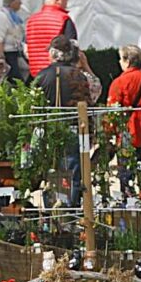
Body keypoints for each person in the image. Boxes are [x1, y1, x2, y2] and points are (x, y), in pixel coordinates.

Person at [34, 36, 90, 207]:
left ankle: (53, 214)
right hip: (75, 129)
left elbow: (33, 106)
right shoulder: (79, 76)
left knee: (51, 171)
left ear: (53, 53)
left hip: (49, 130)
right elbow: (88, 103)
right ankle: (70, 211)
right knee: (73, 173)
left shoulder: (43, 76)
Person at [107, 44, 141, 196]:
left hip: (128, 134)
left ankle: (129, 206)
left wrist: (108, 133)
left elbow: (112, 112)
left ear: (127, 61)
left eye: (120, 59)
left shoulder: (119, 83)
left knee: (126, 175)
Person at [26, 0, 77, 78]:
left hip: (35, 73)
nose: (67, 1)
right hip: (57, 72)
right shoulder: (64, 19)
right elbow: (72, 46)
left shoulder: (31, 20)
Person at [0, 0, 26, 82]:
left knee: (24, 71)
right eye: (18, 0)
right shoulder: (2, 16)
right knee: (14, 77)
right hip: (7, 53)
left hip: (16, 51)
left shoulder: (14, 16)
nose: (20, 3)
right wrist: (1, 58)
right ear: (12, 2)